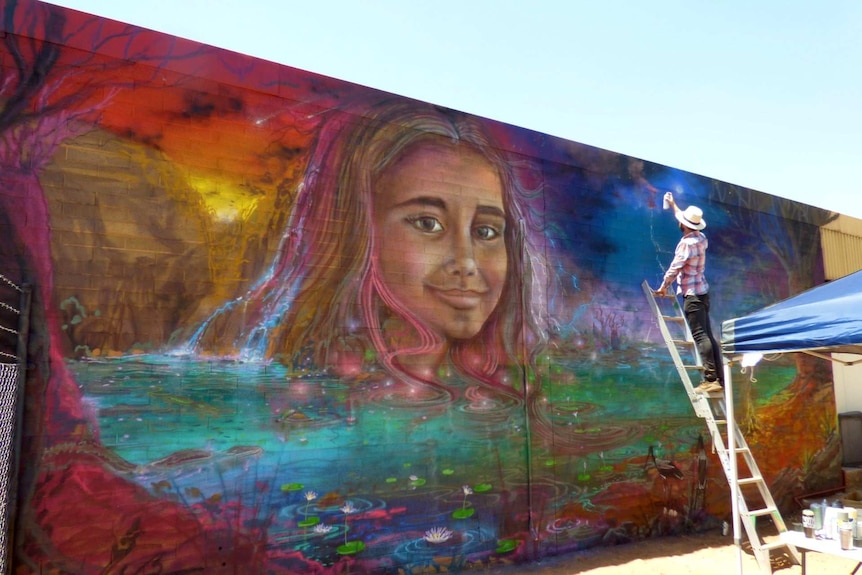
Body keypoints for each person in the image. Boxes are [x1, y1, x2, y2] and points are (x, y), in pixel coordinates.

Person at [653, 192, 724, 394]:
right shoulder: (702, 238)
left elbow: (676, 267)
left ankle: (711, 379)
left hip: (691, 295)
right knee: (708, 335)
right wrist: (673, 204)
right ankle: (718, 378)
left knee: (701, 336)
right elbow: (683, 219)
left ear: (684, 225)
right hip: (703, 293)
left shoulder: (686, 243)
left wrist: (664, 286)